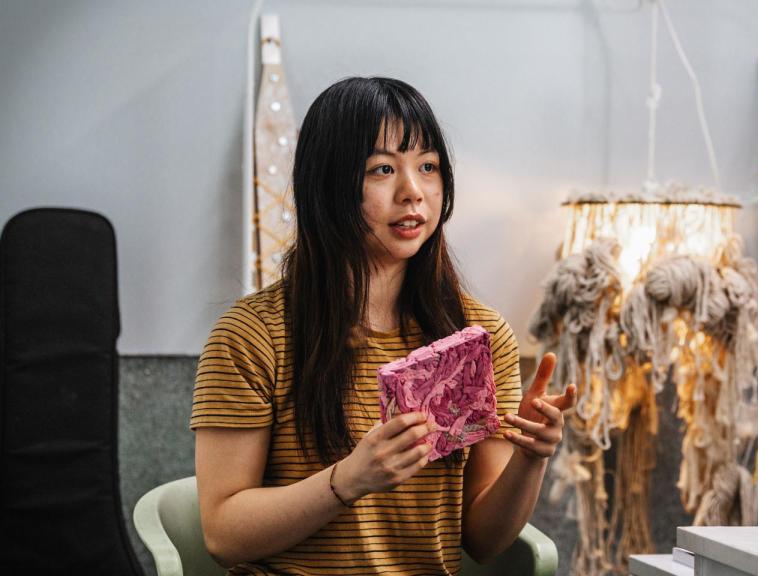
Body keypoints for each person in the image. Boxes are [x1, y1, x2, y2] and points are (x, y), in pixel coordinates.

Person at [190, 76, 577, 575]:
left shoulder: (479, 335)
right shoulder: (251, 336)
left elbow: (484, 541)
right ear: (328, 183)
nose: (412, 191)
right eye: (382, 169)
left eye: (428, 166)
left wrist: (531, 457)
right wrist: (349, 479)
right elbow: (223, 534)